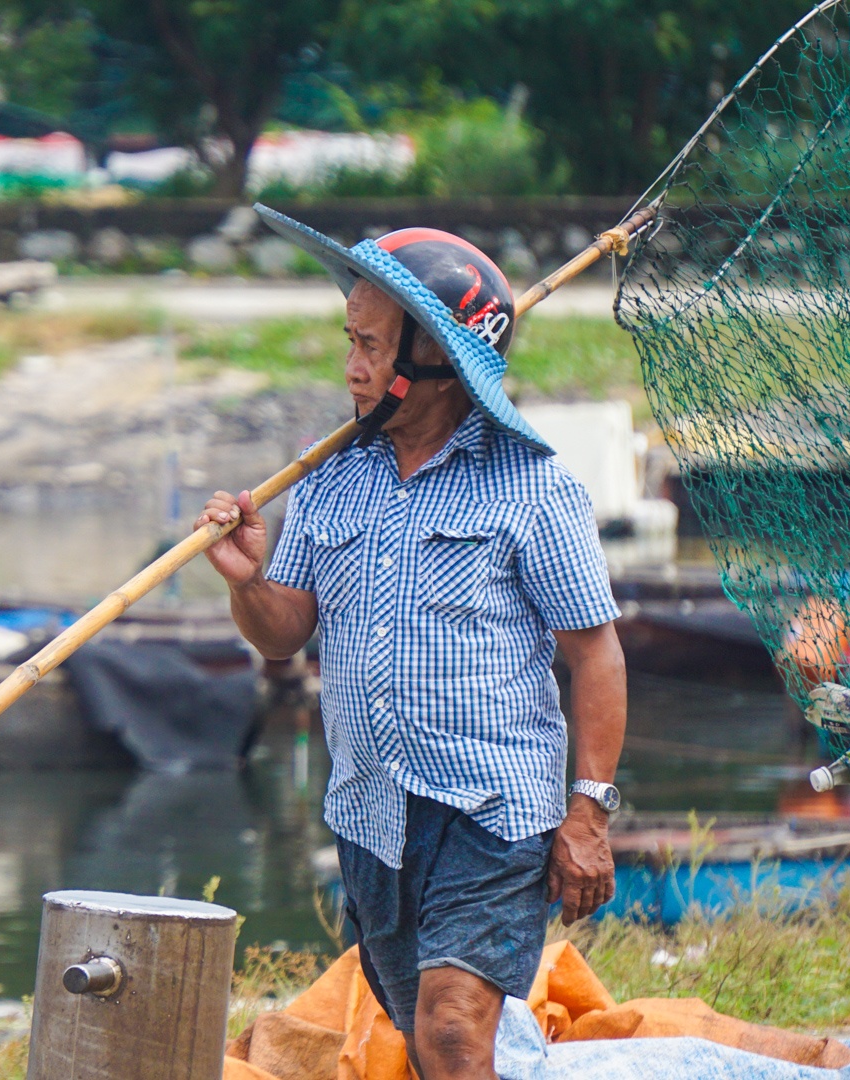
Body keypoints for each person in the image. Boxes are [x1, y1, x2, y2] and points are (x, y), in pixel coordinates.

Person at [198, 207, 627, 1080]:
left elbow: (596, 655)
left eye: (370, 347)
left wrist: (587, 812)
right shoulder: (331, 479)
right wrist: (247, 578)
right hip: (372, 813)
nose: (349, 367)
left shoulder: (532, 490)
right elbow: (284, 634)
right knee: (424, 1038)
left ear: (432, 362)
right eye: (348, 339)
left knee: (453, 1033)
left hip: (493, 810)